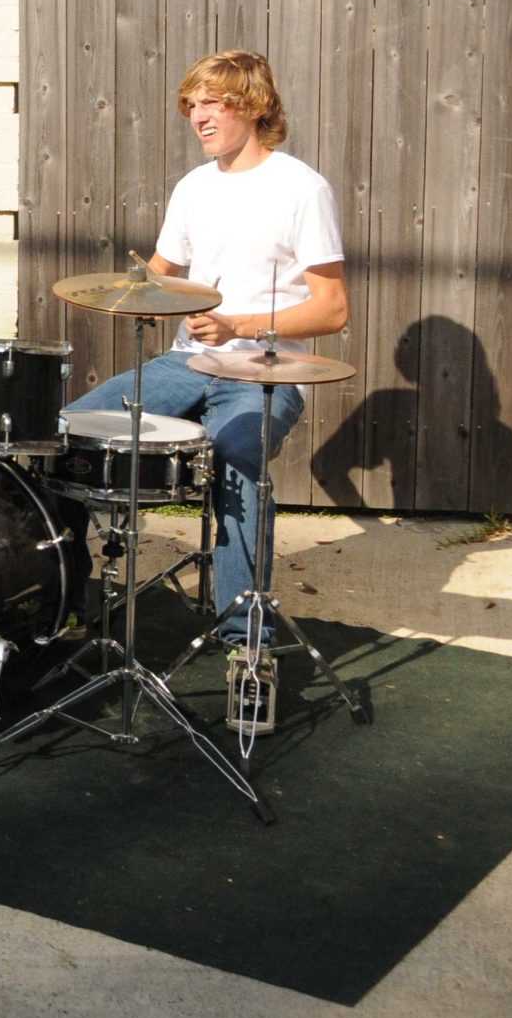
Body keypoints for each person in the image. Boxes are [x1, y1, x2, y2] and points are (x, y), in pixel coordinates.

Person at [63, 50, 349, 646]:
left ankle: (246, 640)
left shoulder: (301, 188)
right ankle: (59, 597)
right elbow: (161, 274)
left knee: (238, 461)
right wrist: (122, 288)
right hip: (186, 362)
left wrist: (240, 322)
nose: (198, 116)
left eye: (213, 102)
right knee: (68, 433)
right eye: (191, 105)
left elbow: (332, 309)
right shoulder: (194, 187)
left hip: (265, 371)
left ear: (254, 105)